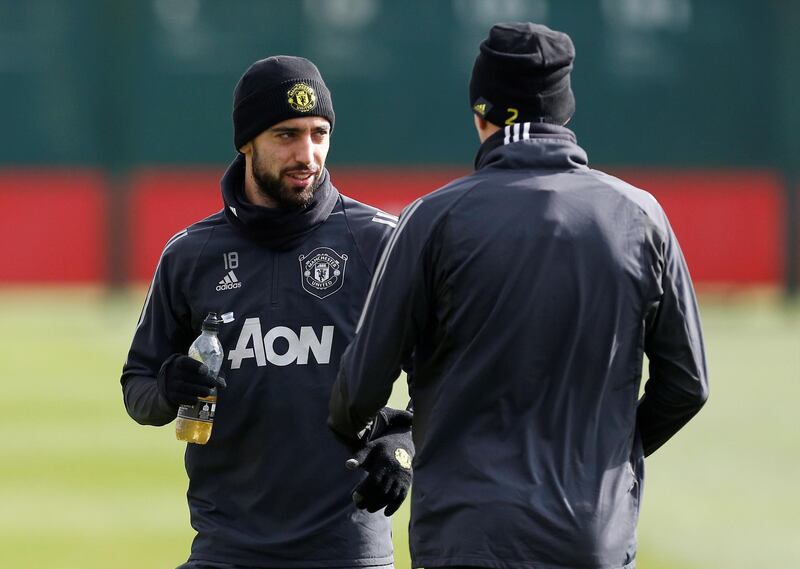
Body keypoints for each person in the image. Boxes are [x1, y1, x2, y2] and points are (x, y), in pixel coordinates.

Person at [328, 22, 709, 569]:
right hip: (589, 537)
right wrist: (605, 458)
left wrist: (360, 430)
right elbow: (687, 386)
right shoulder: (640, 217)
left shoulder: (433, 219)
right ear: (565, 113)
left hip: (465, 536)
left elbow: (359, 388)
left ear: (479, 114)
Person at [121, 55, 413, 569]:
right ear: (246, 142)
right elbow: (138, 387)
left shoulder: (380, 243)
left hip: (347, 551)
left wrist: (403, 444)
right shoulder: (190, 254)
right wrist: (168, 386)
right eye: (286, 135)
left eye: (318, 133)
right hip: (226, 548)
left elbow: (451, 379)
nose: (307, 154)